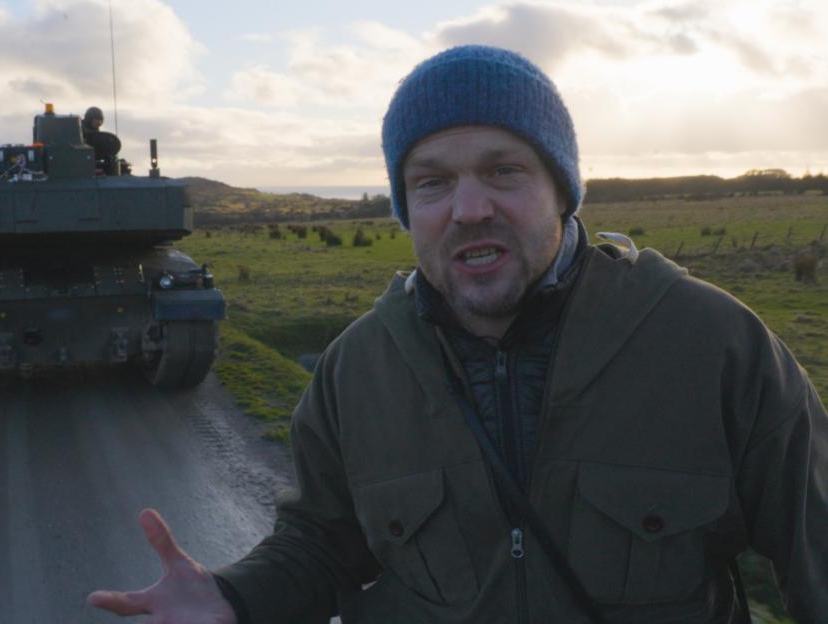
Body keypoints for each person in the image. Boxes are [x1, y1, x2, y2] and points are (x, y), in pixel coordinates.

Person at [88, 45, 828, 623]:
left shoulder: (711, 344)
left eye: (503, 170)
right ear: (407, 207)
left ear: (561, 190)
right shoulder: (356, 373)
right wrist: (235, 599)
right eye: (432, 182)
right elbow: (323, 542)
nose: (468, 208)